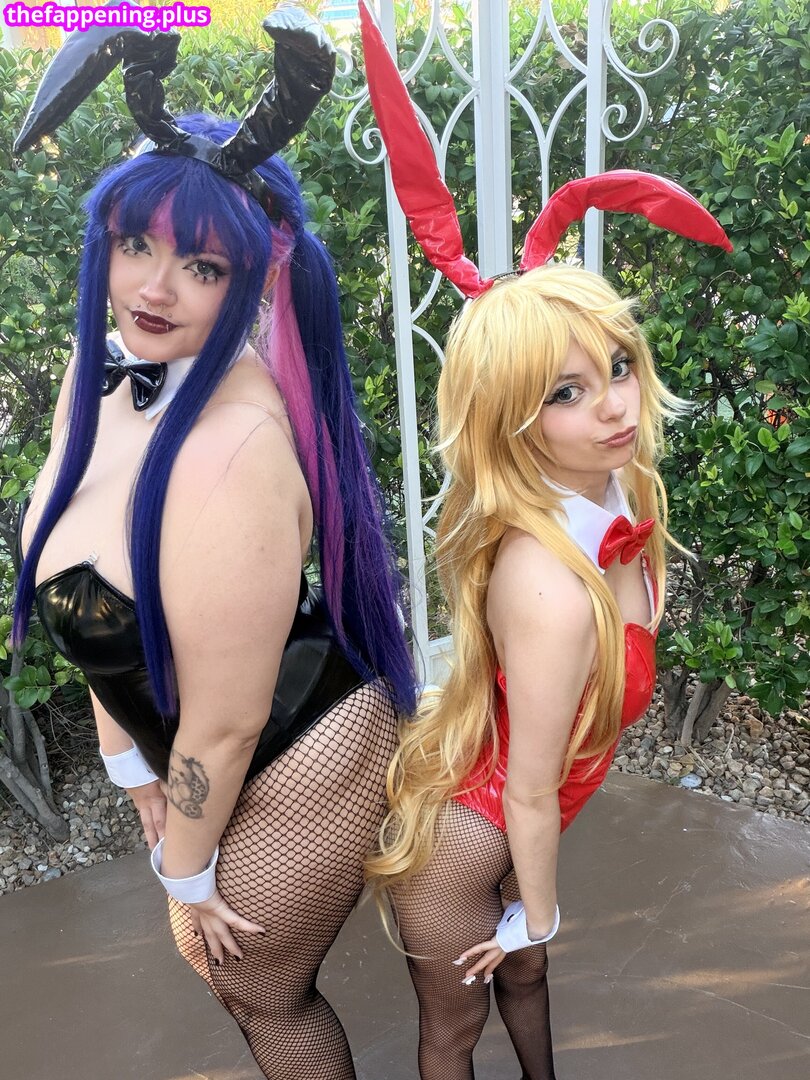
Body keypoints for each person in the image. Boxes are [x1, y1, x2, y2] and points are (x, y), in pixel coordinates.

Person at [13, 13, 415, 1080]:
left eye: (199, 264)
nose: (152, 289)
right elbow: (89, 589)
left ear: (252, 278)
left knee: (260, 992)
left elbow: (232, 721)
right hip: (201, 739)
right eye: (136, 246)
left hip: (297, 750)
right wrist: (131, 772)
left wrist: (186, 873)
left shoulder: (236, 453)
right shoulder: (97, 373)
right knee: (229, 980)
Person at [356, 4, 732, 1076]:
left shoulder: (621, 504)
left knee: (528, 980)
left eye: (616, 366)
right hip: (465, 846)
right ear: (512, 422)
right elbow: (527, 790)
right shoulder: (551, 586)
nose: (613, 404)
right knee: (453, 1031)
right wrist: (542, 910)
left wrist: (535, 919)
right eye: (565, 392)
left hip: (512, 828)